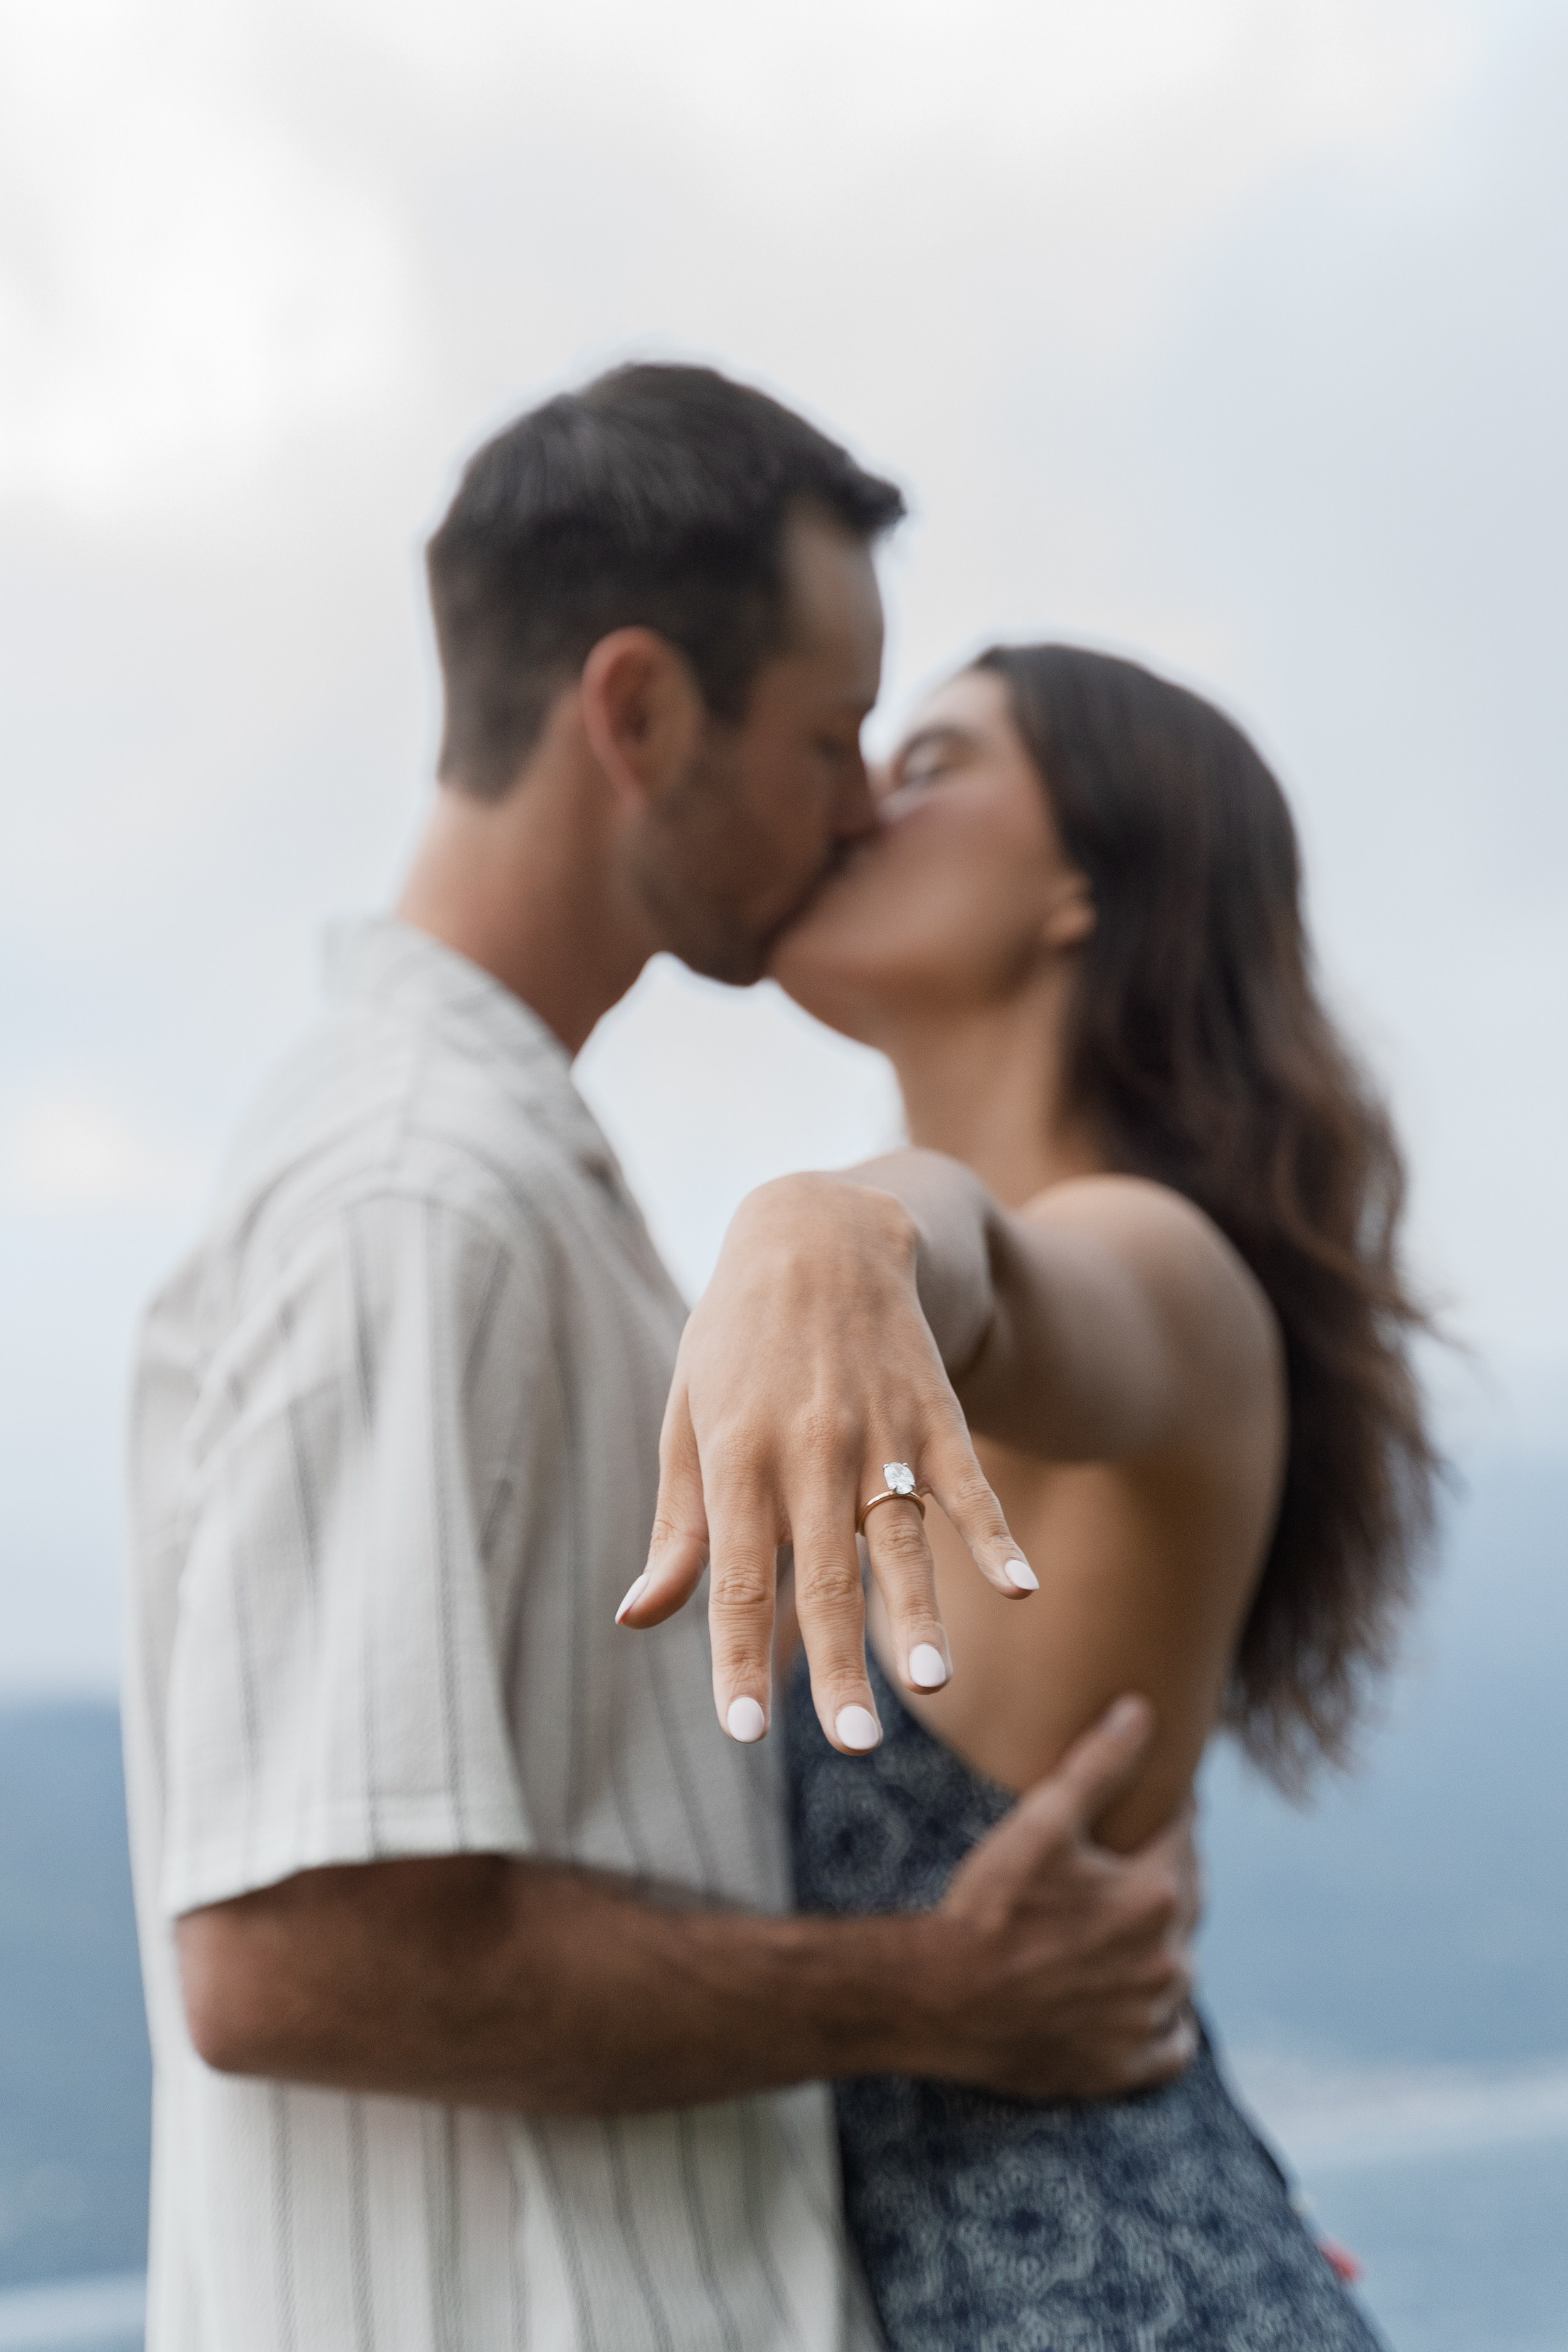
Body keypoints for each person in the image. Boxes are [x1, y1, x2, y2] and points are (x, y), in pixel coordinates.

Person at [124, 368, 1199, 2352]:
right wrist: (937, 1996)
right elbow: (295, 1961)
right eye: (827, 732)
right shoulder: (415, 1194)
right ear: (635, 712)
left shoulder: (507, 1182)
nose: (858, 797)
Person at [628, 645, 1435, 2346]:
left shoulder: (1159, 1265)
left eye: (929, 760)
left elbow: (987, 1267)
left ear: (1085, 880)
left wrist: (830, 1221)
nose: (861, 802)